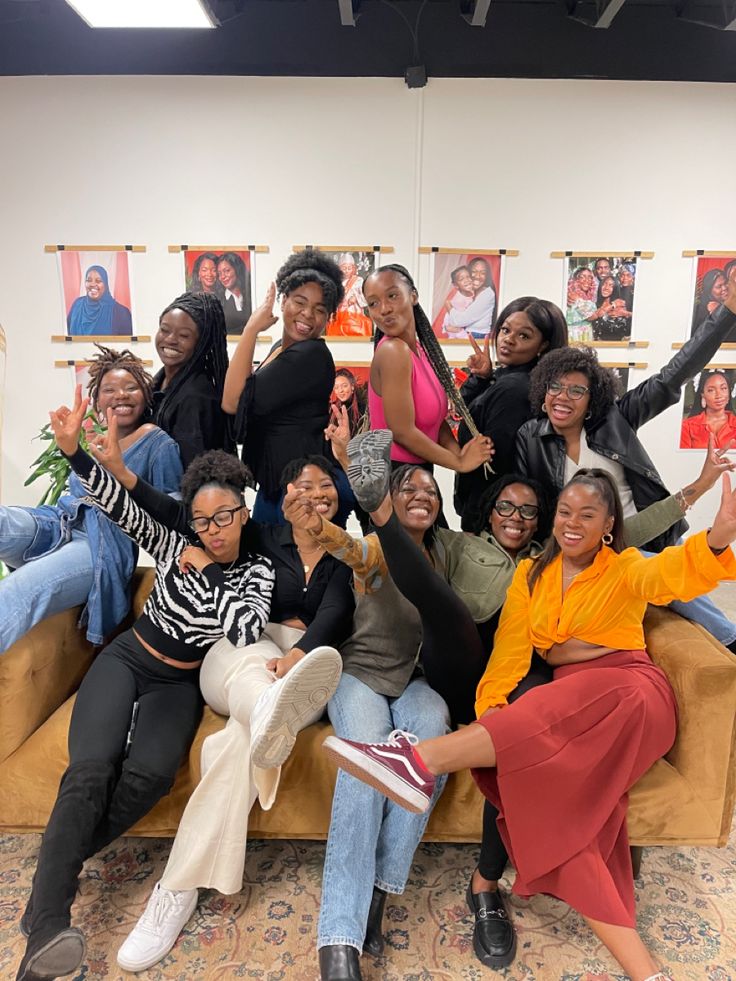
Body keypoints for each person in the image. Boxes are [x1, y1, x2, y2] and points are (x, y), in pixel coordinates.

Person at [327, 430, 730, 973]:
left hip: (631, 696)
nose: (572, 522)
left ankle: (417, 761)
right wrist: (495, 712)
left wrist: (715, 541)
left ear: (609, 526)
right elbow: (512, 651)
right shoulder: (527, 577)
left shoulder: (625, 567)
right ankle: (645, 969)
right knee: (561, 811)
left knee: (552, 701)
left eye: (588, 515)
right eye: (567, 510)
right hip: (544, 699)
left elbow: (670, 571)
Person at [15, 391, 277, 981]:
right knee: (90, 770)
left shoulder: (256, 571)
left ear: (243, 514)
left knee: (151, 776)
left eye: (224, 517)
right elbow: (122, 509)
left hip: (177, 683)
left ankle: (50, 880)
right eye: (202, 519)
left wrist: (207, 571)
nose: (212, 530)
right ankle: (50, 922)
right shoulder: (171, 541)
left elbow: (244, 625)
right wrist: (76, 456)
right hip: (130, 659)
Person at [89, 440, 354, 973]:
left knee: (236, 746)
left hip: (304, 665)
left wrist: (297, 654)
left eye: (327, 486)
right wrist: (119, 472)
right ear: (283, 496)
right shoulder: (262, 534)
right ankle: (267, 707)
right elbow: (187, 513)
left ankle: (176, 887)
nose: (316, 495)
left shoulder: (348, 557)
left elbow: (337, 614)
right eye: (304, 485)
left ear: (339, 497)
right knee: (254, 665)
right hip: (242, 652)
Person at [516, 299, 736, 647]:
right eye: (555, 387)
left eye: (577, 390)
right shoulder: (531, 437)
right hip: (600, 546)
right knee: (662, 571)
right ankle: (731, 639)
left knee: (681, 570)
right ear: (543, 391)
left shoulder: (614, 420)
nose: (563, 398)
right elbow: (536, 504)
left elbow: (673, 375)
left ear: (593, 398)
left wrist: (727, 314)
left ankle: (729, 641)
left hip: (652, 532)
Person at [0, 347, 182, 652]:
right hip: (59, 523)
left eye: (131, 387)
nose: (121, 395)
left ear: (146, 396)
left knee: (19, 590)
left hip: (102, 545)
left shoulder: (157, 442)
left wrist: (124, 475)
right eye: (109, 389)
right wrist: (75, 451)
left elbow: (173, 515)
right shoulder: (93, 443)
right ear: (97, 402)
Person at [223, 249, 348, 524]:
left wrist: (251, 329)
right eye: (300, 302)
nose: (307, 315)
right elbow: (244, 390)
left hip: (299, 492)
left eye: (320, 310)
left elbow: (232, 402)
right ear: (283, 300)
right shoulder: (281, 348)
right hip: (282, 484)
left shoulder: (310, 356)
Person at [365, 263, 492, 476]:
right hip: (394, 478)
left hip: (416, 474)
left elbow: (434, 422)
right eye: (373, 303)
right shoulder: (392, 351)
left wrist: (460, 454)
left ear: (413, 296)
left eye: (393, 296)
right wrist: (459, 463)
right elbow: (402, 432)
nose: (384, 309)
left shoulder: (422, 350)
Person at [453, 296, 568, 529]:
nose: (508, 340)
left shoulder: (514, 388)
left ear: (543, 345)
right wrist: (481, 378)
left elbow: (494, 462)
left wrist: (480, 517)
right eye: (505, 330)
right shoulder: (508, 378)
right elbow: (463, 413)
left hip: (492, 515)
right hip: (497, 511)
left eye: (524, 335)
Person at [152, 290, 234, 468]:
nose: (170, 340)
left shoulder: (196, 397)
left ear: (200, 344)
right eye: (164, 330)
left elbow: (193, 473)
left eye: (184, 336)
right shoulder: (160, 382)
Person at [66, 264, 133, 336]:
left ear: (106, 284)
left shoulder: (121, 312)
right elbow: (66, 335)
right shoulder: (77, 304)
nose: (92, 284)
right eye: (89, 280)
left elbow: (127, 343)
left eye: (98, 281)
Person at [443, 257, 497, 339]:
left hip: (477, 336)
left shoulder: (487, 294)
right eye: (474, 272)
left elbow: (459, 321)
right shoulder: (468, 293)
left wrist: (448, 306)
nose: (478, 276)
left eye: (483, 273)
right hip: (466, 334)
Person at [681, 370, 736, 449]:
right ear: (703, 395)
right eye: (711, 390)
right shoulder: (687, 427)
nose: (719, 395)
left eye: (723, 388)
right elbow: (682, 459)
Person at [332, 252, 371, 336]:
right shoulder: (337, 282)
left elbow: (365, 297)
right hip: (340, 313)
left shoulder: (358, 281)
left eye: (349, 268)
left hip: (355, 312)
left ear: (353, 269)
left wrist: (356, 298)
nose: (346, 271)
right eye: (344, 268)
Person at [217, 252, 252, 334]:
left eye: (227, 271)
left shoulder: (250, 297)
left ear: (237, 270)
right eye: (219, 273)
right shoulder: (218, 301)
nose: (222, 277)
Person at [590, 274, 631, 341]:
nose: (606, 288)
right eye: (604, 284)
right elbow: (597, 314)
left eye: (611, 285)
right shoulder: (594, 305)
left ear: (615, 288)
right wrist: (612, 305)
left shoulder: (621, 303)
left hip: (618, 346)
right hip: (598, 345)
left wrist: (627, 314)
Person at [331, 367, 367, 438]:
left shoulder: (363, 409)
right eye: (336, 387)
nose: (340, 390)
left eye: (344, 386)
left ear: (352, 387)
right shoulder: (331, 409)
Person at [691, 267, 728, 334]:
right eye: (719, 287)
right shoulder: (702, 311)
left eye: (725, 283)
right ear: (709, 291)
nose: (725, 288)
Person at [565, 266, 597, 342]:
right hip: (573, 336)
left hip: (586, 335)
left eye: (590, 277)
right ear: (575, 279)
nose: (587, 280)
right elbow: (591, 316)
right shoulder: (571, 295)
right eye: (582, 277)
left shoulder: (589, 297)